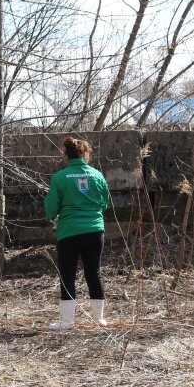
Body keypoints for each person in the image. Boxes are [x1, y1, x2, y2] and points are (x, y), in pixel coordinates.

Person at [44, 137, 110, 330]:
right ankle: (99, 319)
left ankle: (66, 321)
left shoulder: (60, 177)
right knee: (94, 272)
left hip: (69, 231)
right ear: (86, 154)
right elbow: (104, 202)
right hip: (95, 230)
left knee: (67, 274)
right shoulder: (97, 175)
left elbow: (50, 210)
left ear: (65, 155)